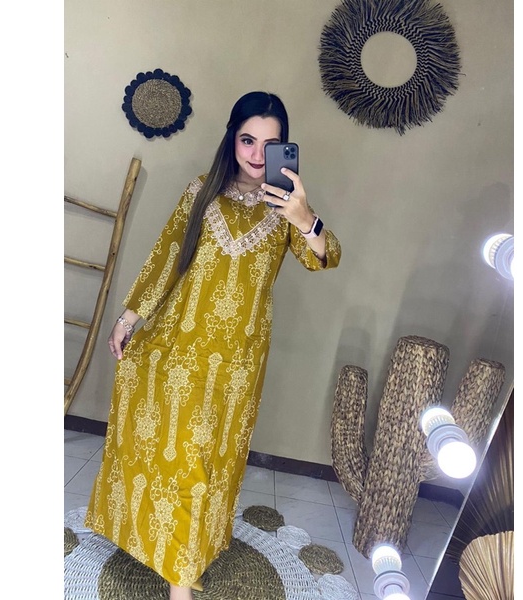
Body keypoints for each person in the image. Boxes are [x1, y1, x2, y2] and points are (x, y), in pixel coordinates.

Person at [84, 91, 341, 599]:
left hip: (236, 366)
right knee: (173, 461)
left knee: (203, 467)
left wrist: (305, 217)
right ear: (232, 139)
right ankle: (174, 573)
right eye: (247, 140)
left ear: (284, 148)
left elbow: (325, 256)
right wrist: (129, 318)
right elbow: (167, 258)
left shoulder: (288, 208)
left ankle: (183, 563)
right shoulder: (201, 192)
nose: (256, 153)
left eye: (269, 143)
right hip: (175, 350)